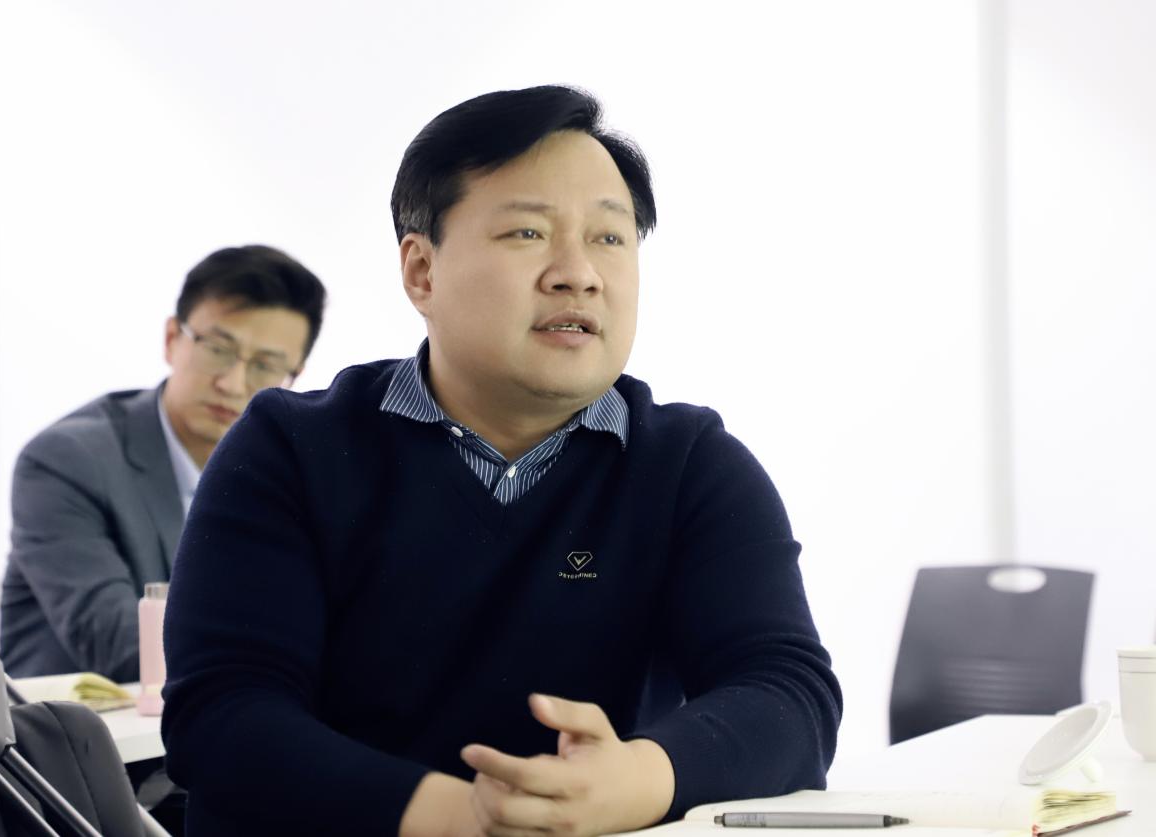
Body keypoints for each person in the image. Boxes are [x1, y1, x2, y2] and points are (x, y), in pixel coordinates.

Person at [162, 86, 842, 836]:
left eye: (609, 238)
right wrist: (470, 819)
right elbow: (223, 715)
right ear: (421, 272)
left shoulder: (690, 465)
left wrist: (638, 779)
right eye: (528, 232)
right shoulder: (289, 449)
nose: (578, 273)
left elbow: (788, 694)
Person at [0, 245, 327, 683]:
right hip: (83, 725)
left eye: (265, 365)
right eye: (218, 349)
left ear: (294, 377)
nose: (232, 384)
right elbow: (121, 644)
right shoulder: (67, 461)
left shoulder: (291, 473)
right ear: (172, 338)